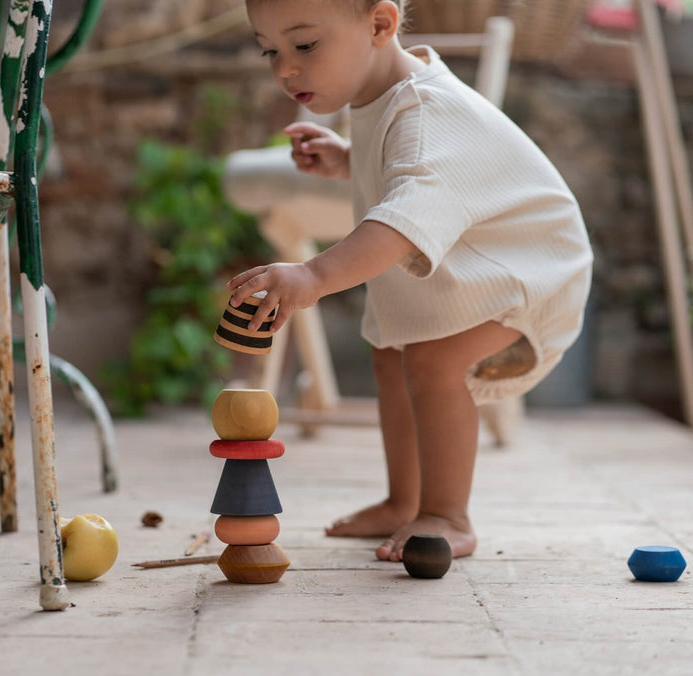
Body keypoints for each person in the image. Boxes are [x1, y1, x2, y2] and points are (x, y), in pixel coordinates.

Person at [227, 0, 593, 562]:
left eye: (304, 46)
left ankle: (449, 514)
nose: (285, 69)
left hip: (530, 269)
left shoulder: (424, 111)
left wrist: (314, 273)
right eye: (270, 49)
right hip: (482, 255)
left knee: (430, 361)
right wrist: (349, 159)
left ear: (379, 25)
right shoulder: (382, 97)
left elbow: (402, 221)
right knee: (390, 353)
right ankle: (406, 501)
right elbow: (410, 168)